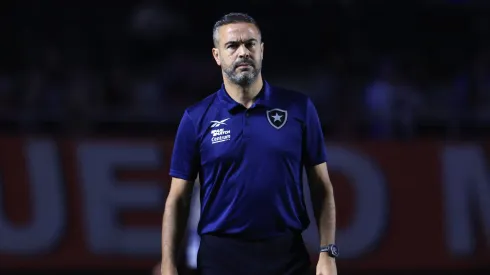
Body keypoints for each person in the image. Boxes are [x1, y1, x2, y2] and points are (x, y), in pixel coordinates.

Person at [161, 12, 338, 275]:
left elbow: (321, 186)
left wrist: (328, 253)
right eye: (232, 45)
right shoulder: (196, 118)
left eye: (250, 44)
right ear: (217, 55)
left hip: (286, 254)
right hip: (220, 258)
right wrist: (168, 264)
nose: (243, 52)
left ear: (262, 50)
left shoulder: (299, 108)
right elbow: (177, 199)